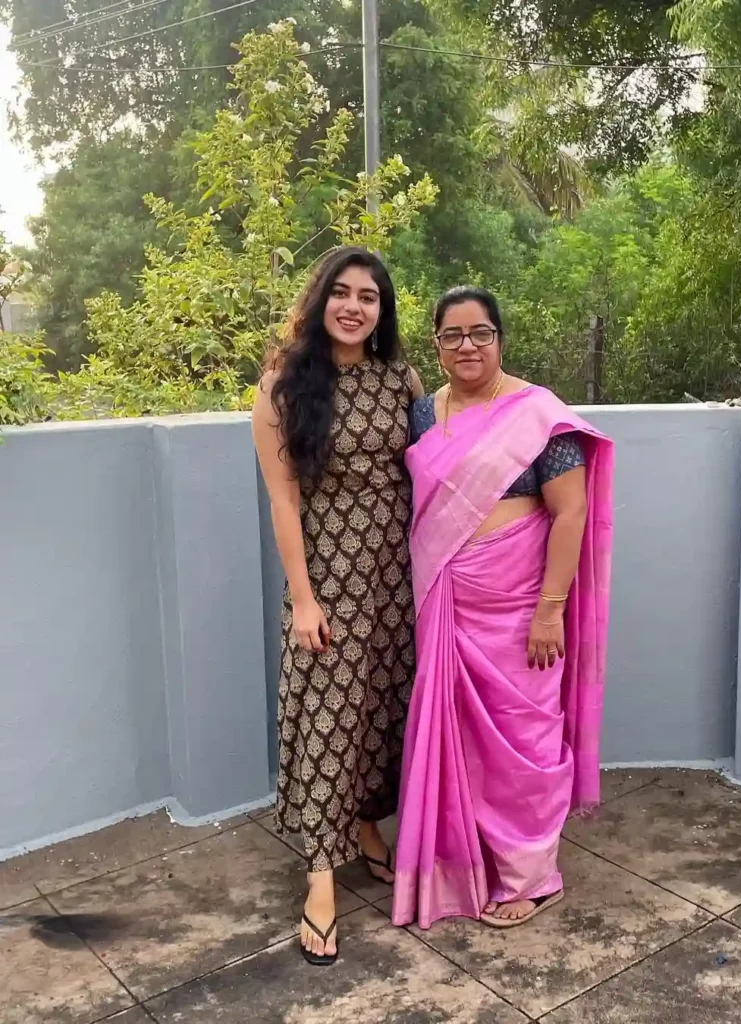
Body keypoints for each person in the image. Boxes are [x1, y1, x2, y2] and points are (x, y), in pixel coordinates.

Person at [391, 286, 613, 931]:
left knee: (526, 735)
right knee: (457, 737)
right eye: (452, 335)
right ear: (435, 345)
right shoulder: (421, 416)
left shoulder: (537, 413)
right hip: (447, 596)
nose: (467, 346)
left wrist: (550, 609)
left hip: (520, 602)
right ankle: (469, 863)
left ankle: (533, 877)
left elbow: (570, 512)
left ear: (499, 339)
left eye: (480, 333)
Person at [252, 246, 422, 965]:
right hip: (328, 579)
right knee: (324, 715)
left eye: (370, 297)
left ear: (382, 312)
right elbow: (283, 499)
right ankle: (320, 880)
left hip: (399, 576)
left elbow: (434, 466)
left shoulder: (400, 378)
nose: (355, 306)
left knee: (386, 710)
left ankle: (364, 826)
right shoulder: (281, 388)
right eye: (342, 293)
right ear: (319, 299)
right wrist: (302, 599)